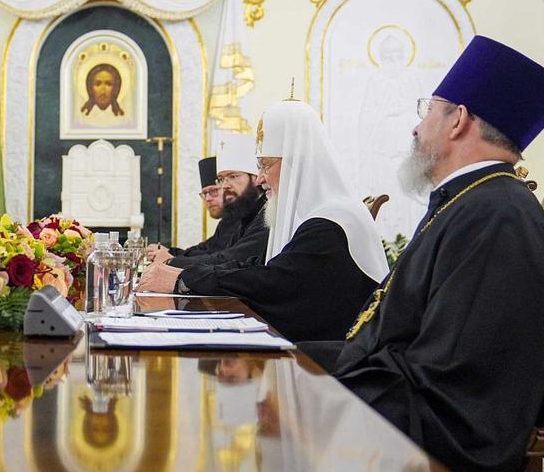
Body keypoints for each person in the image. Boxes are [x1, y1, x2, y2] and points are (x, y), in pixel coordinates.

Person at [322, 35, 544, 472]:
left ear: (458, 120)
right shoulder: (469, 204)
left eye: (426, 110)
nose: (416, 128)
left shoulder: (498, 219)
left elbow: (450, 387)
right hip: (410, 424)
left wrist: (316, 392)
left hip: (446, 462)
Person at [138, 100, 387, 342]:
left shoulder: (332, 221)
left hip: (334, 358)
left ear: (296, 163)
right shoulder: (310, 215)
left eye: (265, 165)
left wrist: (184, 279)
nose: (259, 179)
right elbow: (254, 265)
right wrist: (183, 273)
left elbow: (273, 282)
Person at [148, 132, 269, 270]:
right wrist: (171, 255)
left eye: (233, 176)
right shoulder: (245, 213)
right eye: (222, 179)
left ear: (256, 178)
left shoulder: (266, 214)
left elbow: (230, 259)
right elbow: (210, 250)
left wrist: (171, 260)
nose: (225, 186)